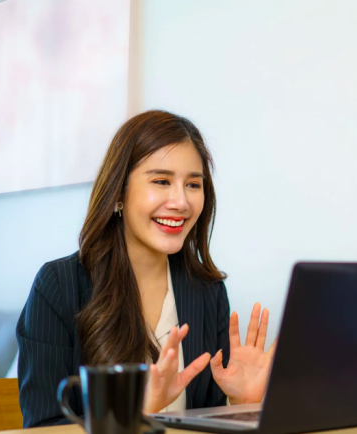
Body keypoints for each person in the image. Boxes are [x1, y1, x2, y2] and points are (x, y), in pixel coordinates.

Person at [16, 110, 275, 427]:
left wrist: (241, 405)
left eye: (193, 184)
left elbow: (205, 421)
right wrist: (133, 417)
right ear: (119, 193)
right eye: (161, 181)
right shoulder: (58, 286)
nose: (181, 201)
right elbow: (43, 427)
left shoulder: (207, 292)